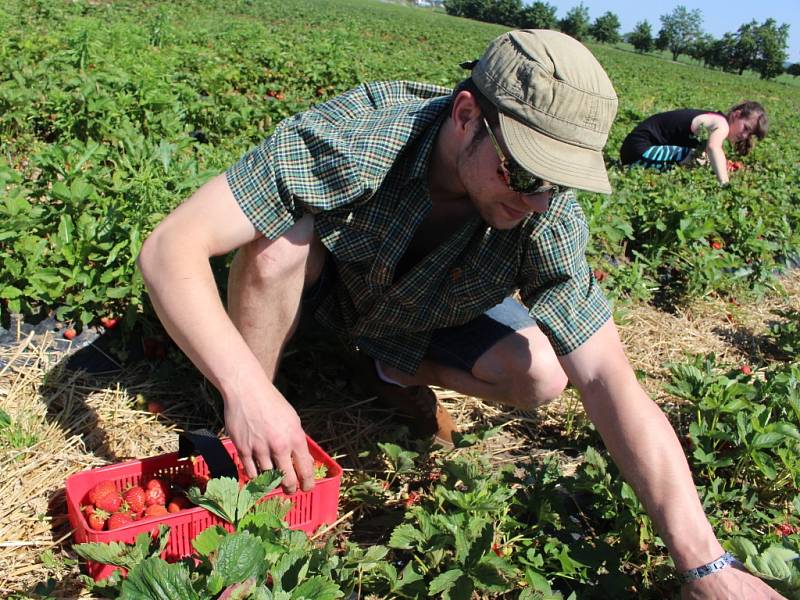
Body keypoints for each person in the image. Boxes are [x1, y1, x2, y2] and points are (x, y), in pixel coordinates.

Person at [137, 29, 783, 598]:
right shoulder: (363, 136)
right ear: (467, 115)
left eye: (557, 180)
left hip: (421, 315)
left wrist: (707, 563)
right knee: (277, 247)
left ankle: (394, 372)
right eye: (524, 172)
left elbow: (612, 381)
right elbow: (171, 248)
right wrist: (247, 389)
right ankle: (251, 437)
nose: (538, 200)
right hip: (328, 294)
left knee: (543, 374)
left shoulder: (544, 211)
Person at [619, 103, 768, 185]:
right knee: (699, 160)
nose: (744, 135)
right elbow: (713, 148)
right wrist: (725, 183)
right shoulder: (721, 123)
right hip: (639, 152)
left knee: (702, 160)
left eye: (750, 134)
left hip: (632, 149)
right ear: (736, 114)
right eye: (746, 128)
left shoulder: (715, 119)